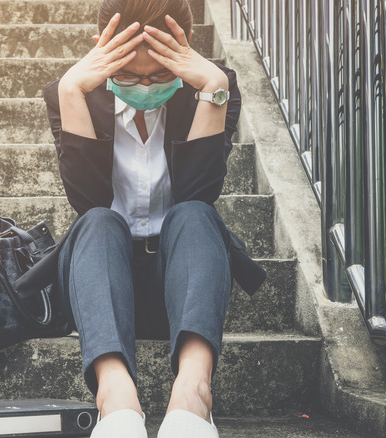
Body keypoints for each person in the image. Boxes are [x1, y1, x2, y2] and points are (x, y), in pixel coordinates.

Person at [36, 0, 267, 436]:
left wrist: (212, 86)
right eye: (126, 76)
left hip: (182, 291)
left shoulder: (214, 89)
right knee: (99, 222)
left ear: (183, 49)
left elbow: (199, 194)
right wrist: (71, 92)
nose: (144, 86)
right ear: (102, 52)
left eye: (160, 75)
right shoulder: (73, 94)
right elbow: (87, 200)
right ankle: (116, 400)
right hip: (102, 288)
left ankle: (194, 395)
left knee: (196, 215)